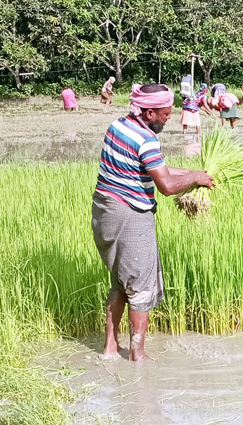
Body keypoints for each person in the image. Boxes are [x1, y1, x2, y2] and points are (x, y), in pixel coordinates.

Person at [92, 83, 214, 361]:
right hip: (130, 215)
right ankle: (138, 353)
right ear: (148, 113)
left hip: (105, 211)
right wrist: (194, 179)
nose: (169, 116)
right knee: (140, 285)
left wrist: (196, 172)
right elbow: (167, 186)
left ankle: (110, 348)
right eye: (164, 113)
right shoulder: (147, 139)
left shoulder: (118, 126)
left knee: (120, 283)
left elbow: (154, 168)